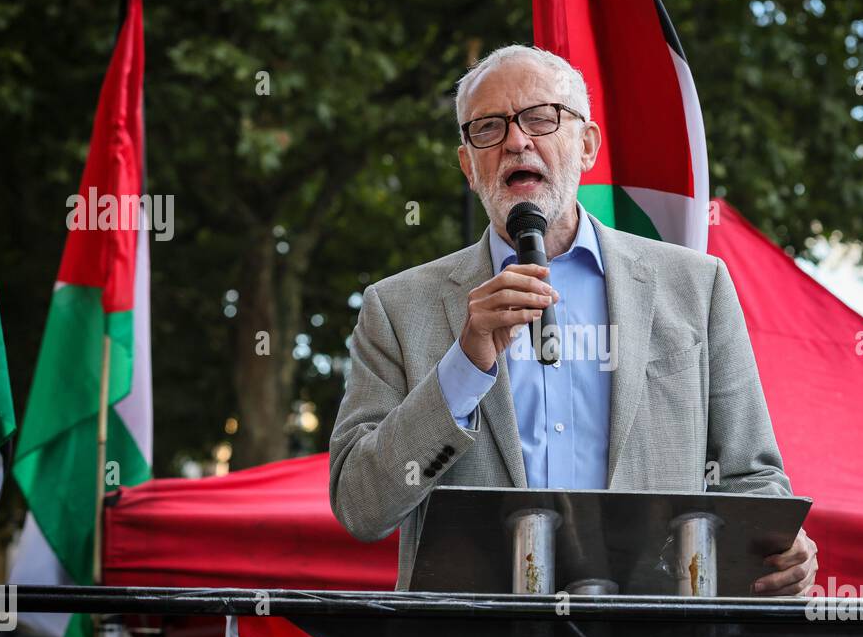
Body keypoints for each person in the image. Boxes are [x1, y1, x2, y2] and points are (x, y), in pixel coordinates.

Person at [329, 44, 817, 594]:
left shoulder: (695, 287)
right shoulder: (396, 309)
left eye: (541, 118)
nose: (517, 141)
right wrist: (463, 366)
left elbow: (750, 478)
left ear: (586, 145)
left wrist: (787, 545)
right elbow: (361, 505)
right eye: (488, 128)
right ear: (468, 164)